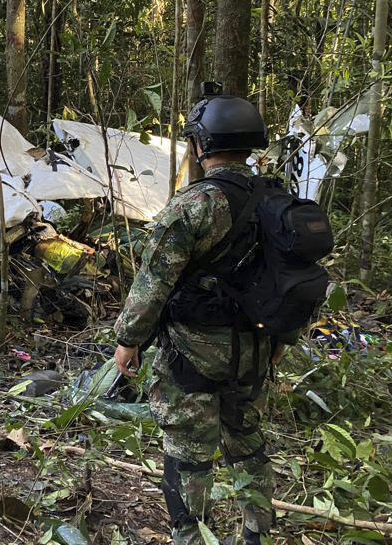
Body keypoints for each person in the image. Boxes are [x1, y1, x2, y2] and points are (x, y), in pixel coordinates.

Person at [111, 89, 292, 545]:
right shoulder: (277, 201)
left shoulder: (194, 206)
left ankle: (191, 536)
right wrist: (279, 343)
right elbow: (292, 281)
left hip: (193, 354)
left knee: (188, 451)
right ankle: (257, 533)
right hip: (255, 348)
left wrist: (128, 339)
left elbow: (152, 283)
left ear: (201, 144)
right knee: (247, 441)